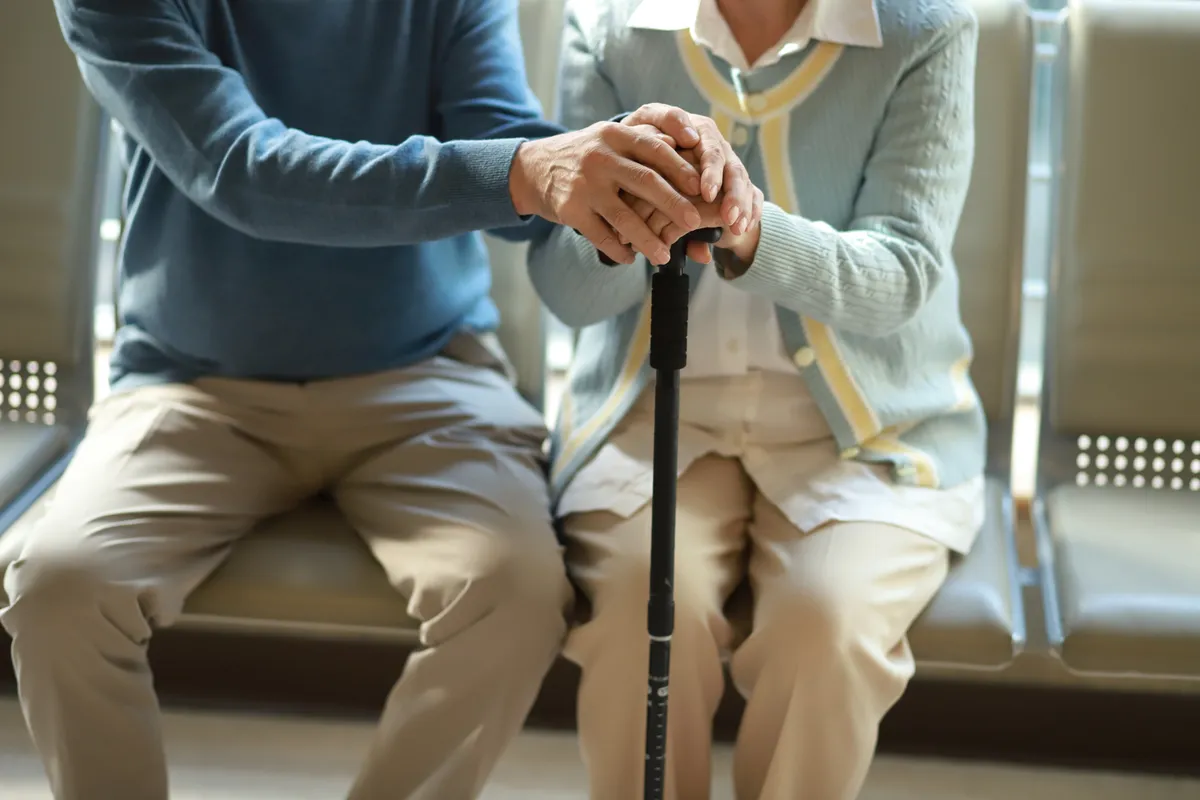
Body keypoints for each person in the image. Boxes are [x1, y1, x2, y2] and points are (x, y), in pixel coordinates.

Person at [0, 1, 759, 799]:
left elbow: (512, 151)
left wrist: (633, 170)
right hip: (192, 384)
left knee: (517, 594)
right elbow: (240, 169)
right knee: (58, 592)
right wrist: (529, 172)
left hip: (426, 374)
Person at [529, 0, 984, 797]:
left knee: (826, 626)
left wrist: (751, 231)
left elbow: (904, 272)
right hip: (651, 413)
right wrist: (625, 215)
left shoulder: (925, 28)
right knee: (640, 613)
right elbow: (567, 292)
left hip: (865, 433)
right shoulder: (607, 24)